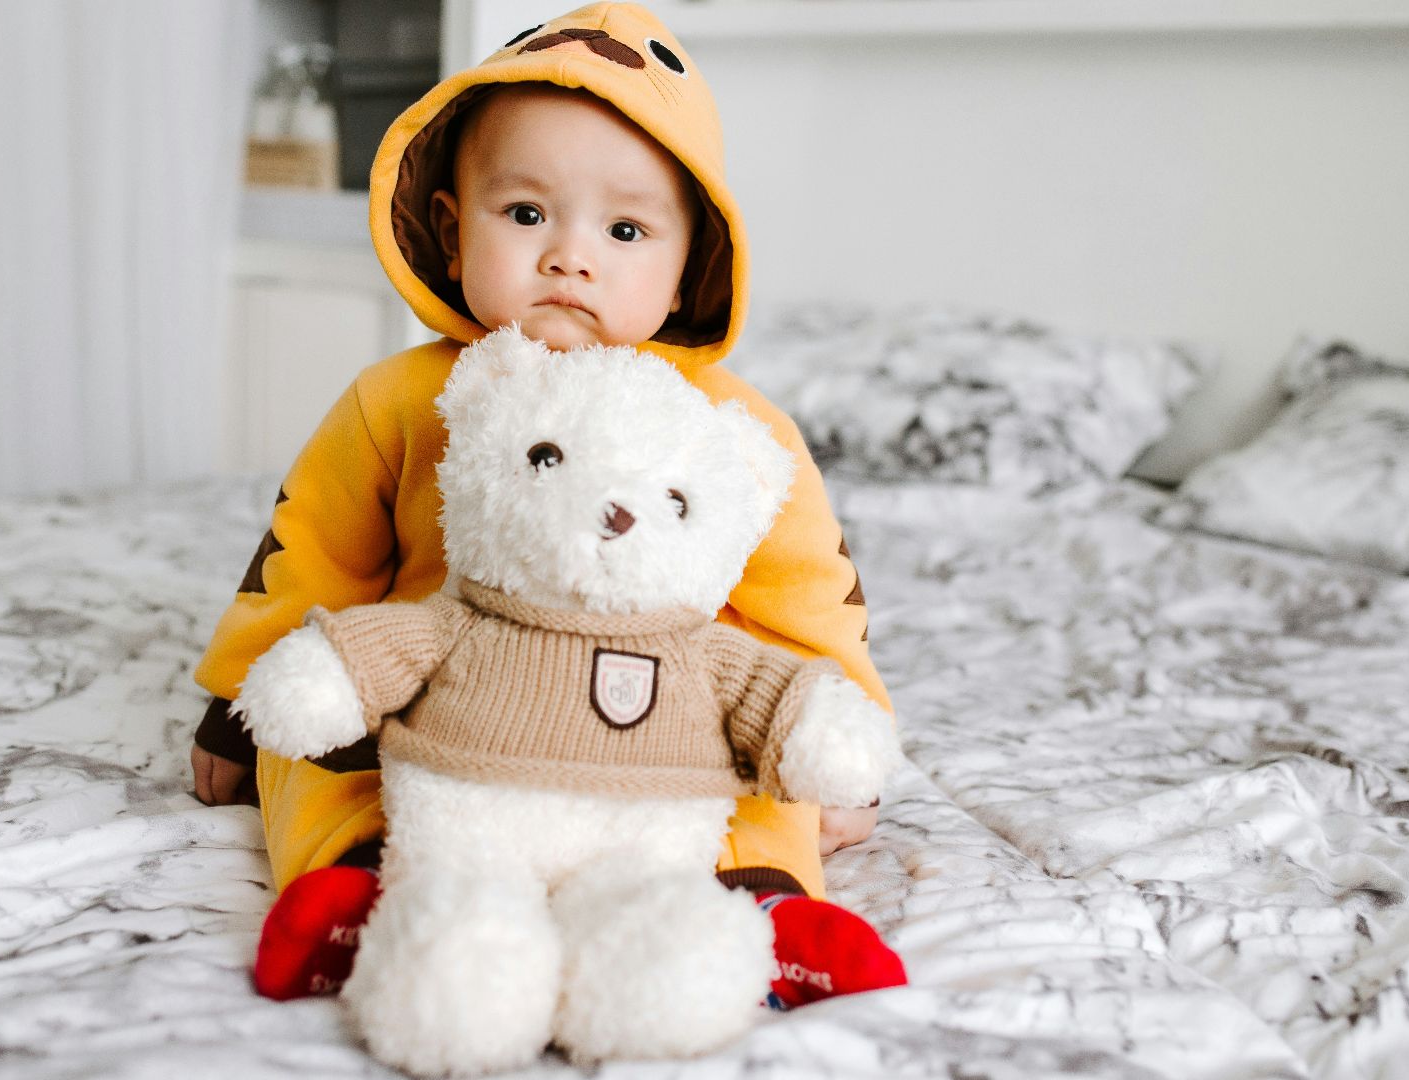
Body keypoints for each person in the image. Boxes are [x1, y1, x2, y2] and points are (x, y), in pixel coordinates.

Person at [190, 1, 906, 1011]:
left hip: (665, 724)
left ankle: (760, 906)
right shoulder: (402, 400)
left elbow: (810, 594)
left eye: (624, 229)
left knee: (751, 784)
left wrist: (844, 740)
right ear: (452, 226)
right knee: (311, 751)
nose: (571, 256)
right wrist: (236, 697)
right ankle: (354, 885)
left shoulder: (729, 428)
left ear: (689, 261)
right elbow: (307, 553)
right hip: (438, 711)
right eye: (526, 214)